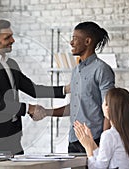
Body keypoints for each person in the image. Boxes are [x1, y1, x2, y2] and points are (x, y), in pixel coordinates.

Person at [0, 19, 68, 155]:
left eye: (12, 36)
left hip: (12, 135)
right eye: (7, 37)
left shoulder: (11, 63)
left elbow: (33, 89)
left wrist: (65, 89)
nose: (13, 40)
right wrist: (29, 108)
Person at [35, 21, 115, 153]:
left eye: (75, 39)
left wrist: (104, 143)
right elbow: (74, 107)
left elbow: (110, 109)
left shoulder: (102, 69)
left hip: (95, 140)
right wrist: (46, 112)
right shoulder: (76, 71)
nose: (71, 43)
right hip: (74, 140)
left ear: (88, 41)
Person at [73, 87, 129, 168]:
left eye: (104, 102)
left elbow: (97, 168)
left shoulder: (109, 135)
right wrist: (91, 142)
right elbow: (105, 159)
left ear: (108, 108)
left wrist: (88, 148)